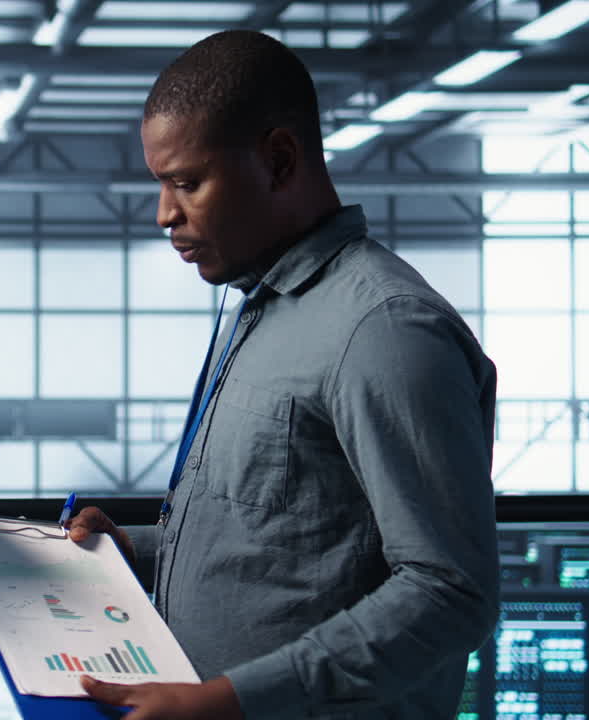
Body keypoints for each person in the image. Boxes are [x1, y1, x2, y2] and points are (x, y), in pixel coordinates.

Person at [67, 30, 499, 719]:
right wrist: (135, 550)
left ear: (278, 159)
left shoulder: (384, 331)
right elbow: (286, 540)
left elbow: (450, 592)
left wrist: (232, 701)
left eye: (187, 182)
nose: (164, 215)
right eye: (160, 184)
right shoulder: (257, 310)